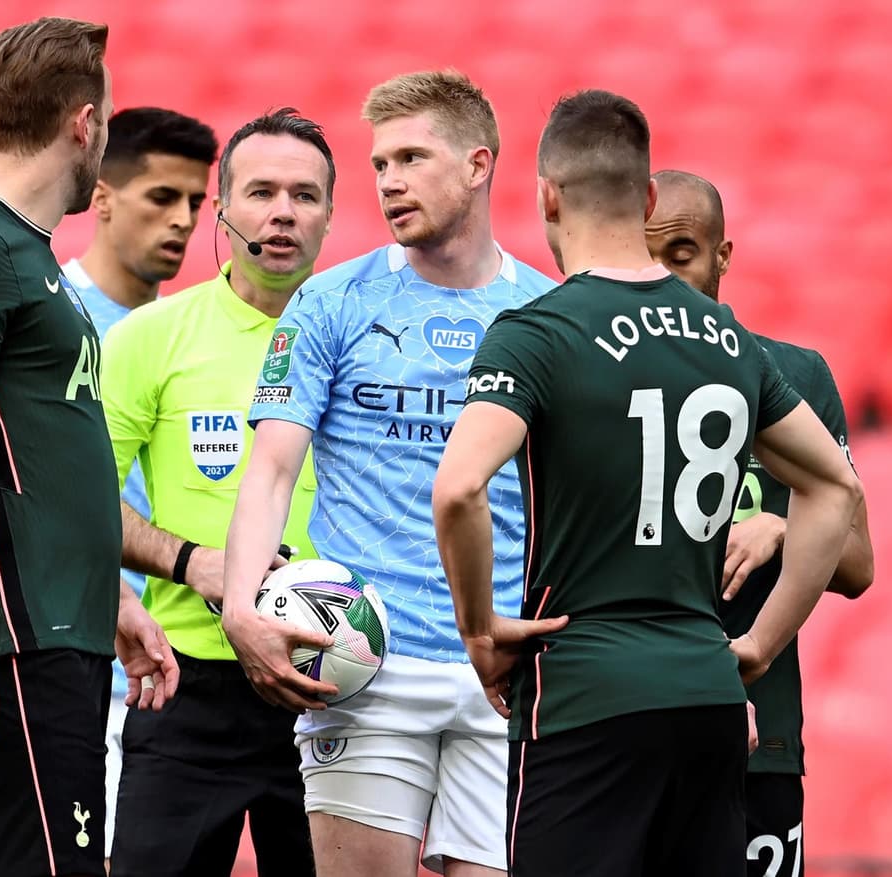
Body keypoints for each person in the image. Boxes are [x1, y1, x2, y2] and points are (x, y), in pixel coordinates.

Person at [431, 89, 863, 877]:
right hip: (710, 699)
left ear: (548, 196)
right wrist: (758, 645)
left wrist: (479, 629)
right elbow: (837, 487)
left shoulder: (537, 332)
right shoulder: (728, 338)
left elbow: (458, 489)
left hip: (584, 694)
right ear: (650, 197)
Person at [222, 72, 556, 877]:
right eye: (379, 164)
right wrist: (239, 605)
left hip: (505, 669)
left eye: (411, 158)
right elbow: (271, 470)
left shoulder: (546, 315)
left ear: (477, 164)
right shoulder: (328, 302)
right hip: (364, 660)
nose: (389, 181)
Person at [0, 18, 177, 877]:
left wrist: (111, 598)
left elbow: (42, 463)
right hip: (17, 637)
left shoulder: (28, 254)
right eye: (108, 118)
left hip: (59, 627)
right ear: (84, 124)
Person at [100, 108, 334, 877]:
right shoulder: (149, 338)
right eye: (261, 192)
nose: (282, 213)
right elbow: (79, 499)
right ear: (223, 210)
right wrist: (190, 561)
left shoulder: (366, 342)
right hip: (187, 687)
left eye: (304, 195)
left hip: (335, 685)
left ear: (330, 214)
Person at [646, 169, 875, 877]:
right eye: (647, 257)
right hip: (629, 724)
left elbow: (858, 564)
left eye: (682, 254)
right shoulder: (599, 378)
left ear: (723, 255)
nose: (664, 276)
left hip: (760, 731)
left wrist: (781, 524)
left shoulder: (795, 376)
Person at [60, 105, 218, 868]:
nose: (183, 219)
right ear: (102, 197)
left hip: (180, 667)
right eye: (162, 197)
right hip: (85, 664)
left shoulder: (196, 333)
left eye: (196, 201)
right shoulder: (50, 320)